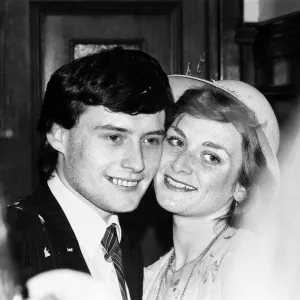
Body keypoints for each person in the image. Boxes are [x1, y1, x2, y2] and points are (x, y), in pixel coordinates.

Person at [6, 46, 173, 300]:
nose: (137, 163)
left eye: (150, 140)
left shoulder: (122, 241)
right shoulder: (13, 245)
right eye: (114, 137)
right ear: (58, 135)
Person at [143, 75, 280, 300]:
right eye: (177, 142)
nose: (180, 164)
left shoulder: (248, 262)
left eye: (211, 157)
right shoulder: (150, 278)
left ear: (242, 186)